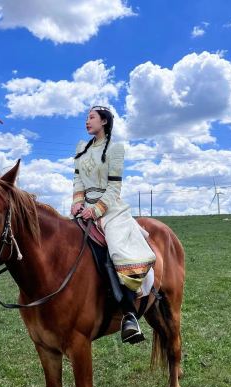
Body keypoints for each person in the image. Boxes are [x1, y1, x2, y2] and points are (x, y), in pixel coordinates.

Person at [71, 105, 156, 344]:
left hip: (109, 209)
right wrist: (77, 203)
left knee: (117, 249)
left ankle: (129, 313)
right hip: (84, 207)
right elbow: (78, 181)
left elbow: (114, 188)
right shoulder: (81, 149)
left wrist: (96, 209)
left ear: (104, 122)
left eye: (92, 118)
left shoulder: (116, 149)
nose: (87, 121)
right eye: (87, 118)